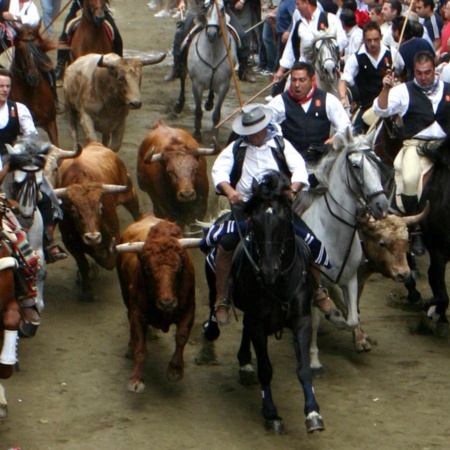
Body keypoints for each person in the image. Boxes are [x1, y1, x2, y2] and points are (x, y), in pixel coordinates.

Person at [207, 103, 347, 327]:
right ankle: (222, 299)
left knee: (312, 242)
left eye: (256, 130)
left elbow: (299, 168)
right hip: (248, 209)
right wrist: (230, 191)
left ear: (264, 127)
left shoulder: (280, 144)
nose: (253, 135)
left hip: (279, 208)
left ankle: (319, 292)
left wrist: (293, 189)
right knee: (225, 244)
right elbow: (219, 171)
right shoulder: (235, 148)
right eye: (249, 132)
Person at [373, 51, 450, 255]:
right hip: (416, 146)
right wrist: (385, 90)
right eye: (419, 73)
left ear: (435, 70)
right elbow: (381, 111)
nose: (424, 77)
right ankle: (415, 228)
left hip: (444, 146)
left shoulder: (448, 89)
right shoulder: (403, 91)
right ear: (413, 72)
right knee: (409, 178)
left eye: (428, 72)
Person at [0, 68, 67, 264]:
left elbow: (31, 135)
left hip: (14, 157)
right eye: (0, 86)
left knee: (47, 194)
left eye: (7, 86)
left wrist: (19, 151)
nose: (4, 90)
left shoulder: (18, 110)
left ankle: (49, 240)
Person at [268, 61, 351, 165]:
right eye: (293, 80)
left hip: (322, 161)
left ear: (312, 80)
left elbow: (345, 126)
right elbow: (266, 126)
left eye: (302, 80)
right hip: (290, 162)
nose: (297, 85)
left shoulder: (328, 100)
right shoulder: (279, 102)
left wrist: (336, 138)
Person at [164, 0, 256, 83]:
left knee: (242, 35)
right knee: (180, 34)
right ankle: (176, 68)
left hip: (221, 9)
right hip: (200, 8)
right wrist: (182, 1)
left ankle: (244, 70)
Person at [338, 21, 403, 134]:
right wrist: (343, 98)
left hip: (391, 104)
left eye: (376, 39)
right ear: (364, 40)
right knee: (355, 134)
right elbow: (344, 81)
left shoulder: (392, 52)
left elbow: (401, 71)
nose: (373, 43)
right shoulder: (356, 58)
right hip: (368, 106)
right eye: (369, 40)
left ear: (381, 37)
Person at [273, 0, 348, 83]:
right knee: (288, 90)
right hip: (303, 71)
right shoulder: (299, 23)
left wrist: (329, 53)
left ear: (306, 3)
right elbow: (290, 47)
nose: (296, 7)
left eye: (298, 4)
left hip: (326, 71)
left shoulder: (330, 19)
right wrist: (281, 71)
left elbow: (343, 40)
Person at [54, 0, 124, 80]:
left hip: (99, 6)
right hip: (79, 5)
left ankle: (120, 66)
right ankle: (60, 65)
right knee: (64, 34)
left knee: (117, 36)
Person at [391, 16, 434, 81]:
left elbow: (400, 74)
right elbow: (435, 60)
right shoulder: (424, 42)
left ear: (397, 32)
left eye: (392, 31)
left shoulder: (398, 52)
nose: (391, 34)